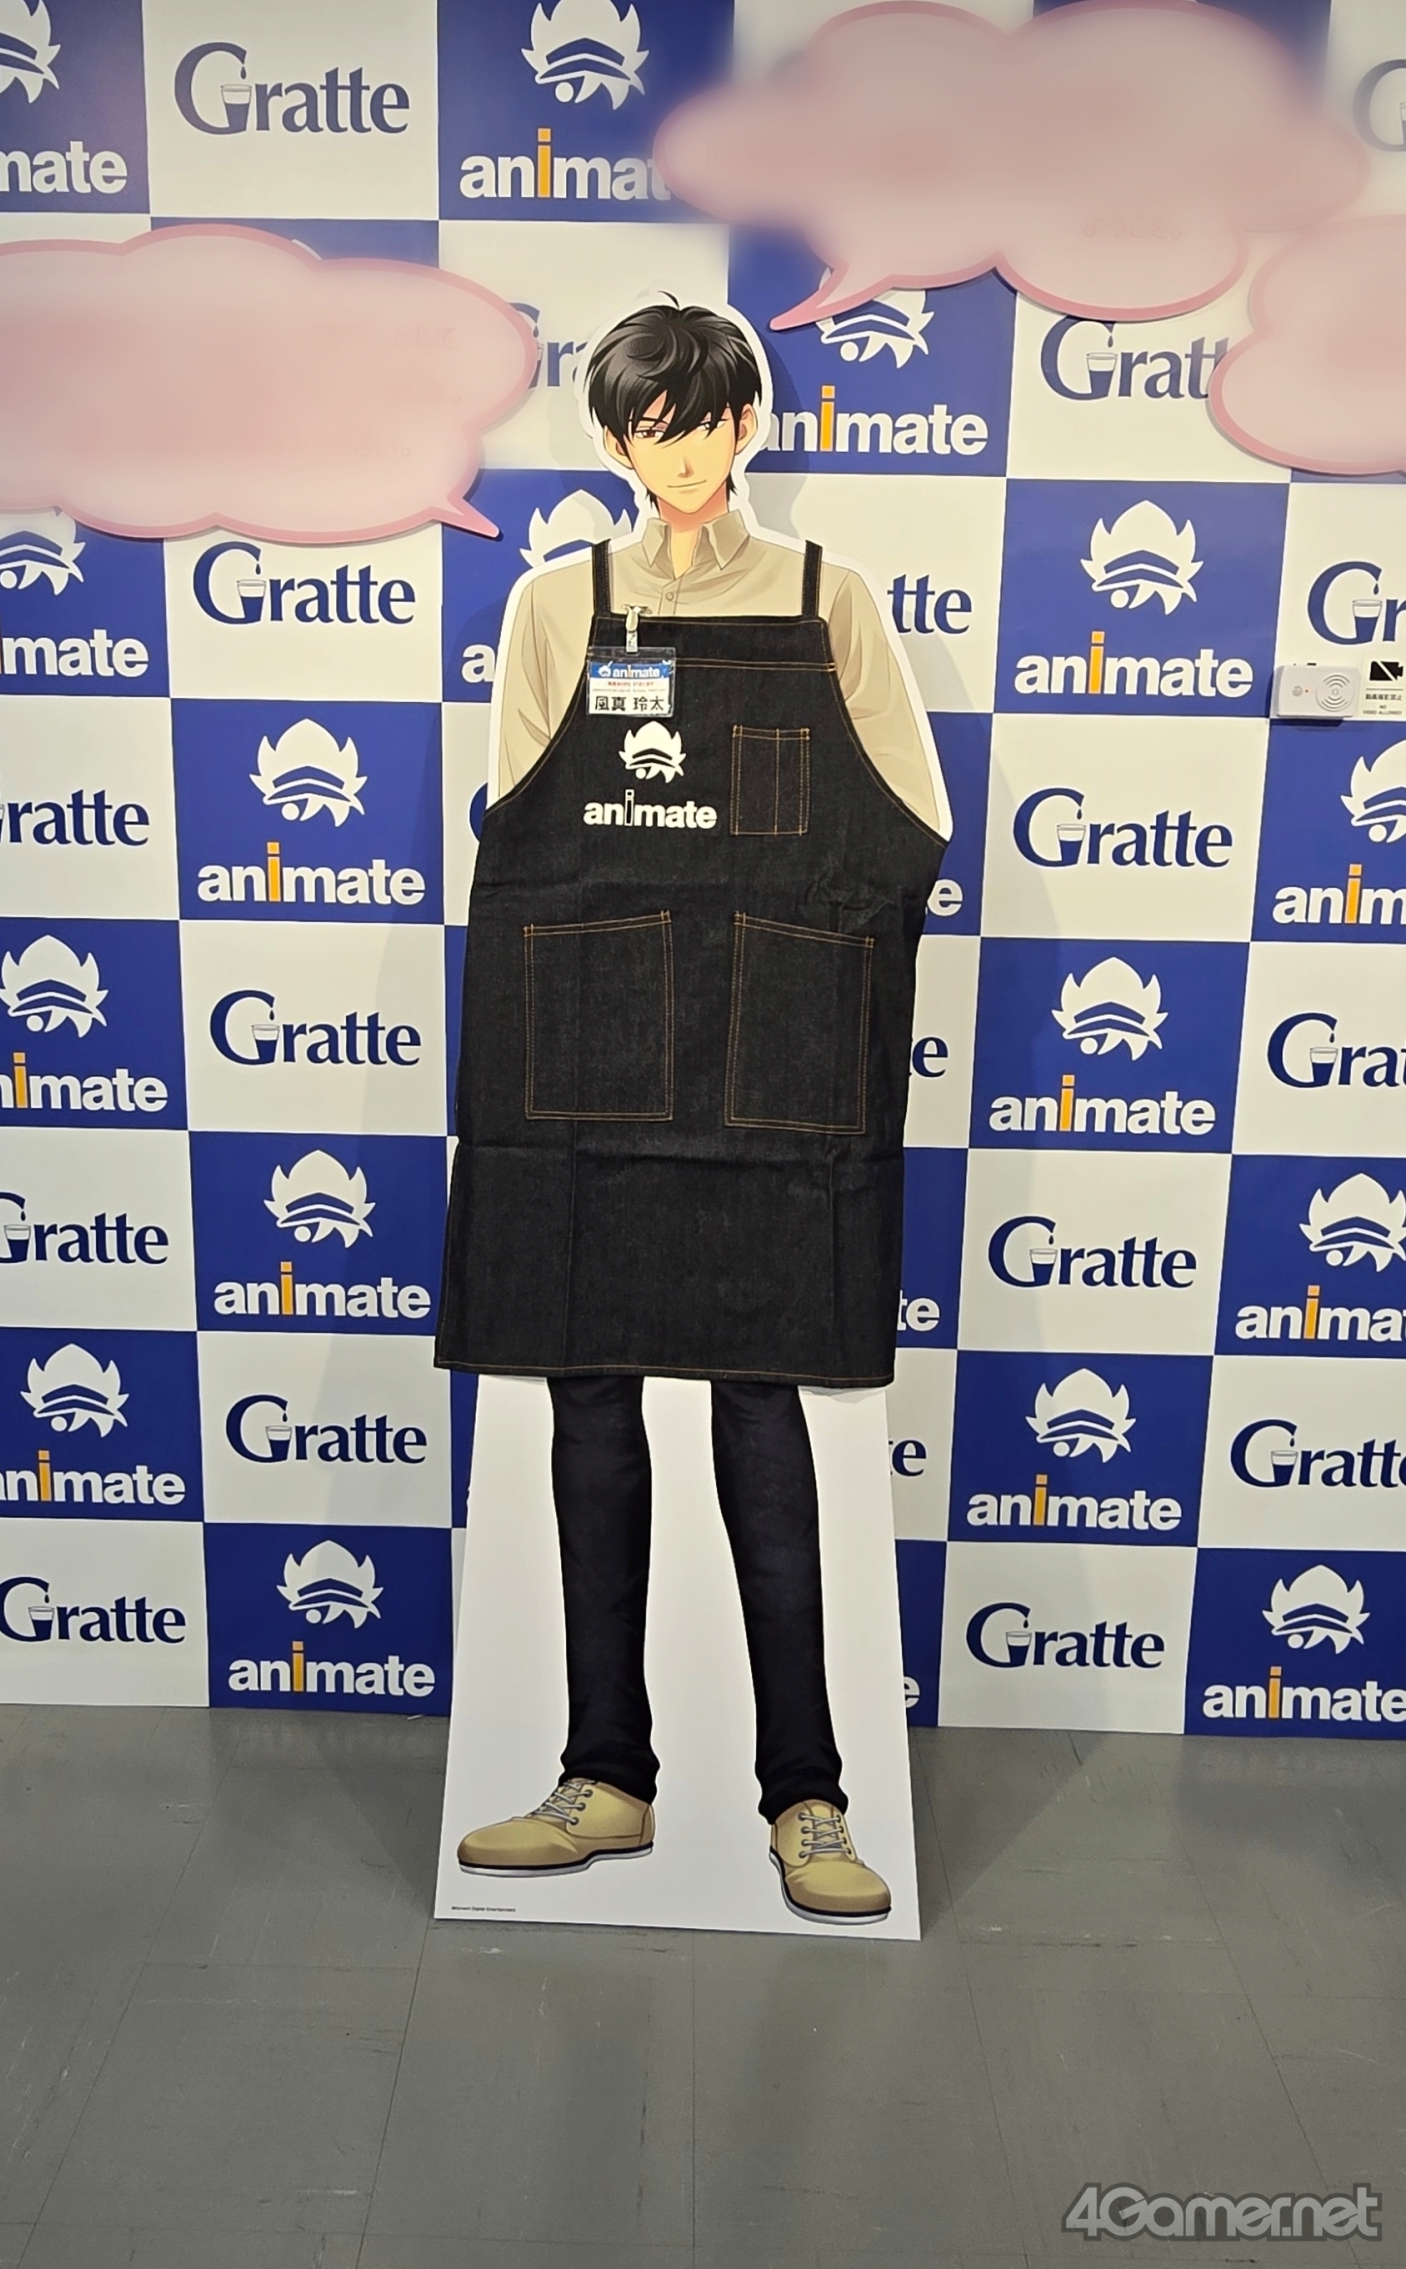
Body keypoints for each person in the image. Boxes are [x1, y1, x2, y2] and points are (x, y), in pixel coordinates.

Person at [436, 301, 947, 1922]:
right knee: (588, 1404)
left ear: (746, 425)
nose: (676, 451)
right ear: (612, 441)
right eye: (645, 427)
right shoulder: (555, 603)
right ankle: (607, 1777)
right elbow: (521, 838)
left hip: (773, 1072)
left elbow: (910, 824)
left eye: (704, 421)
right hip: (586, 1069)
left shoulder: (826, 598)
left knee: (758, 1405)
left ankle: (809, 1797)